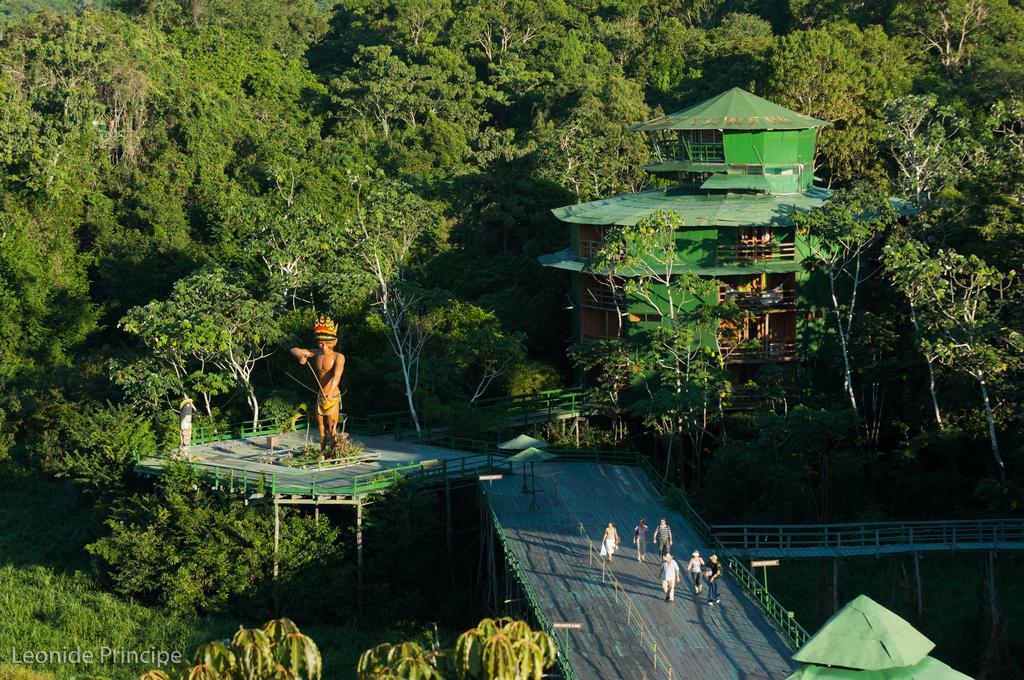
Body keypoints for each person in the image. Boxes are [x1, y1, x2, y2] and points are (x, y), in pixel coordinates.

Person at [290, 316, 346, 455]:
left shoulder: (338, 357)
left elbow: (337, 377)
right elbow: (294, 349)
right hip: (320, 396)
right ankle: (321, 453)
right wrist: (300, 356)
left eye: (327, 343)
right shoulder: (316, 353)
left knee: (332, 429)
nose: (324, 347)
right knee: (321, 428)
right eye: (321, 343)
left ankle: (332, 454)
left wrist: (331, 391)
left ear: (334, 342)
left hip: (331, 396)